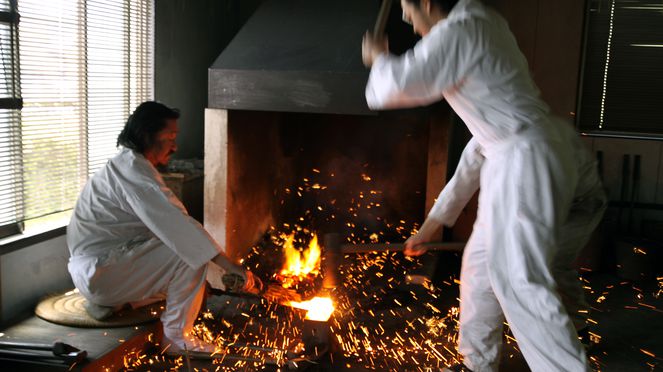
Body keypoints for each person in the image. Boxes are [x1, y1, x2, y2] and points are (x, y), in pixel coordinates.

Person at [362, 0, 606, 371]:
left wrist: (379, 59)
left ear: (427, 2)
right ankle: (477, 363)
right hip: (517, 155)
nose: (408, 21)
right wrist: (433, 224)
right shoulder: (479, 26)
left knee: (520, 281)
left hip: (526, 159)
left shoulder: (460, 30)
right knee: (479, 267)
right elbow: (478, 150)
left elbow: (393, 87)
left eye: (408, 10)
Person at [66, 101, 258, 353]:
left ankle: (121, 302)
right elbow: (178, 225)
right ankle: (176, 338)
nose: (175, 146)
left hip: (101, 268)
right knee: (187, 257)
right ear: (147, 135)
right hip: (101, 273)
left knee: (189, 274)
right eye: (170, 137)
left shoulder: (130, 164)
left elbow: (169, 227)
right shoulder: (133, 170)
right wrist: (229, 265)